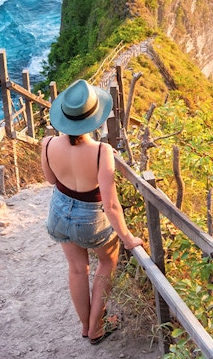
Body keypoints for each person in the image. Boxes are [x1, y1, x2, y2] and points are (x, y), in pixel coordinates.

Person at [41, 79, 144, 344]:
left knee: (77, 269)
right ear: (92, 118)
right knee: (107, 263)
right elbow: (110, 205)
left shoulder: (48, 143)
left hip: (59, 213)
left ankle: (86, 327)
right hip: (91, 218)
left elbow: (51, 180)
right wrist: (127, 237)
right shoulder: (101, 151)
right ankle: (96, 328)